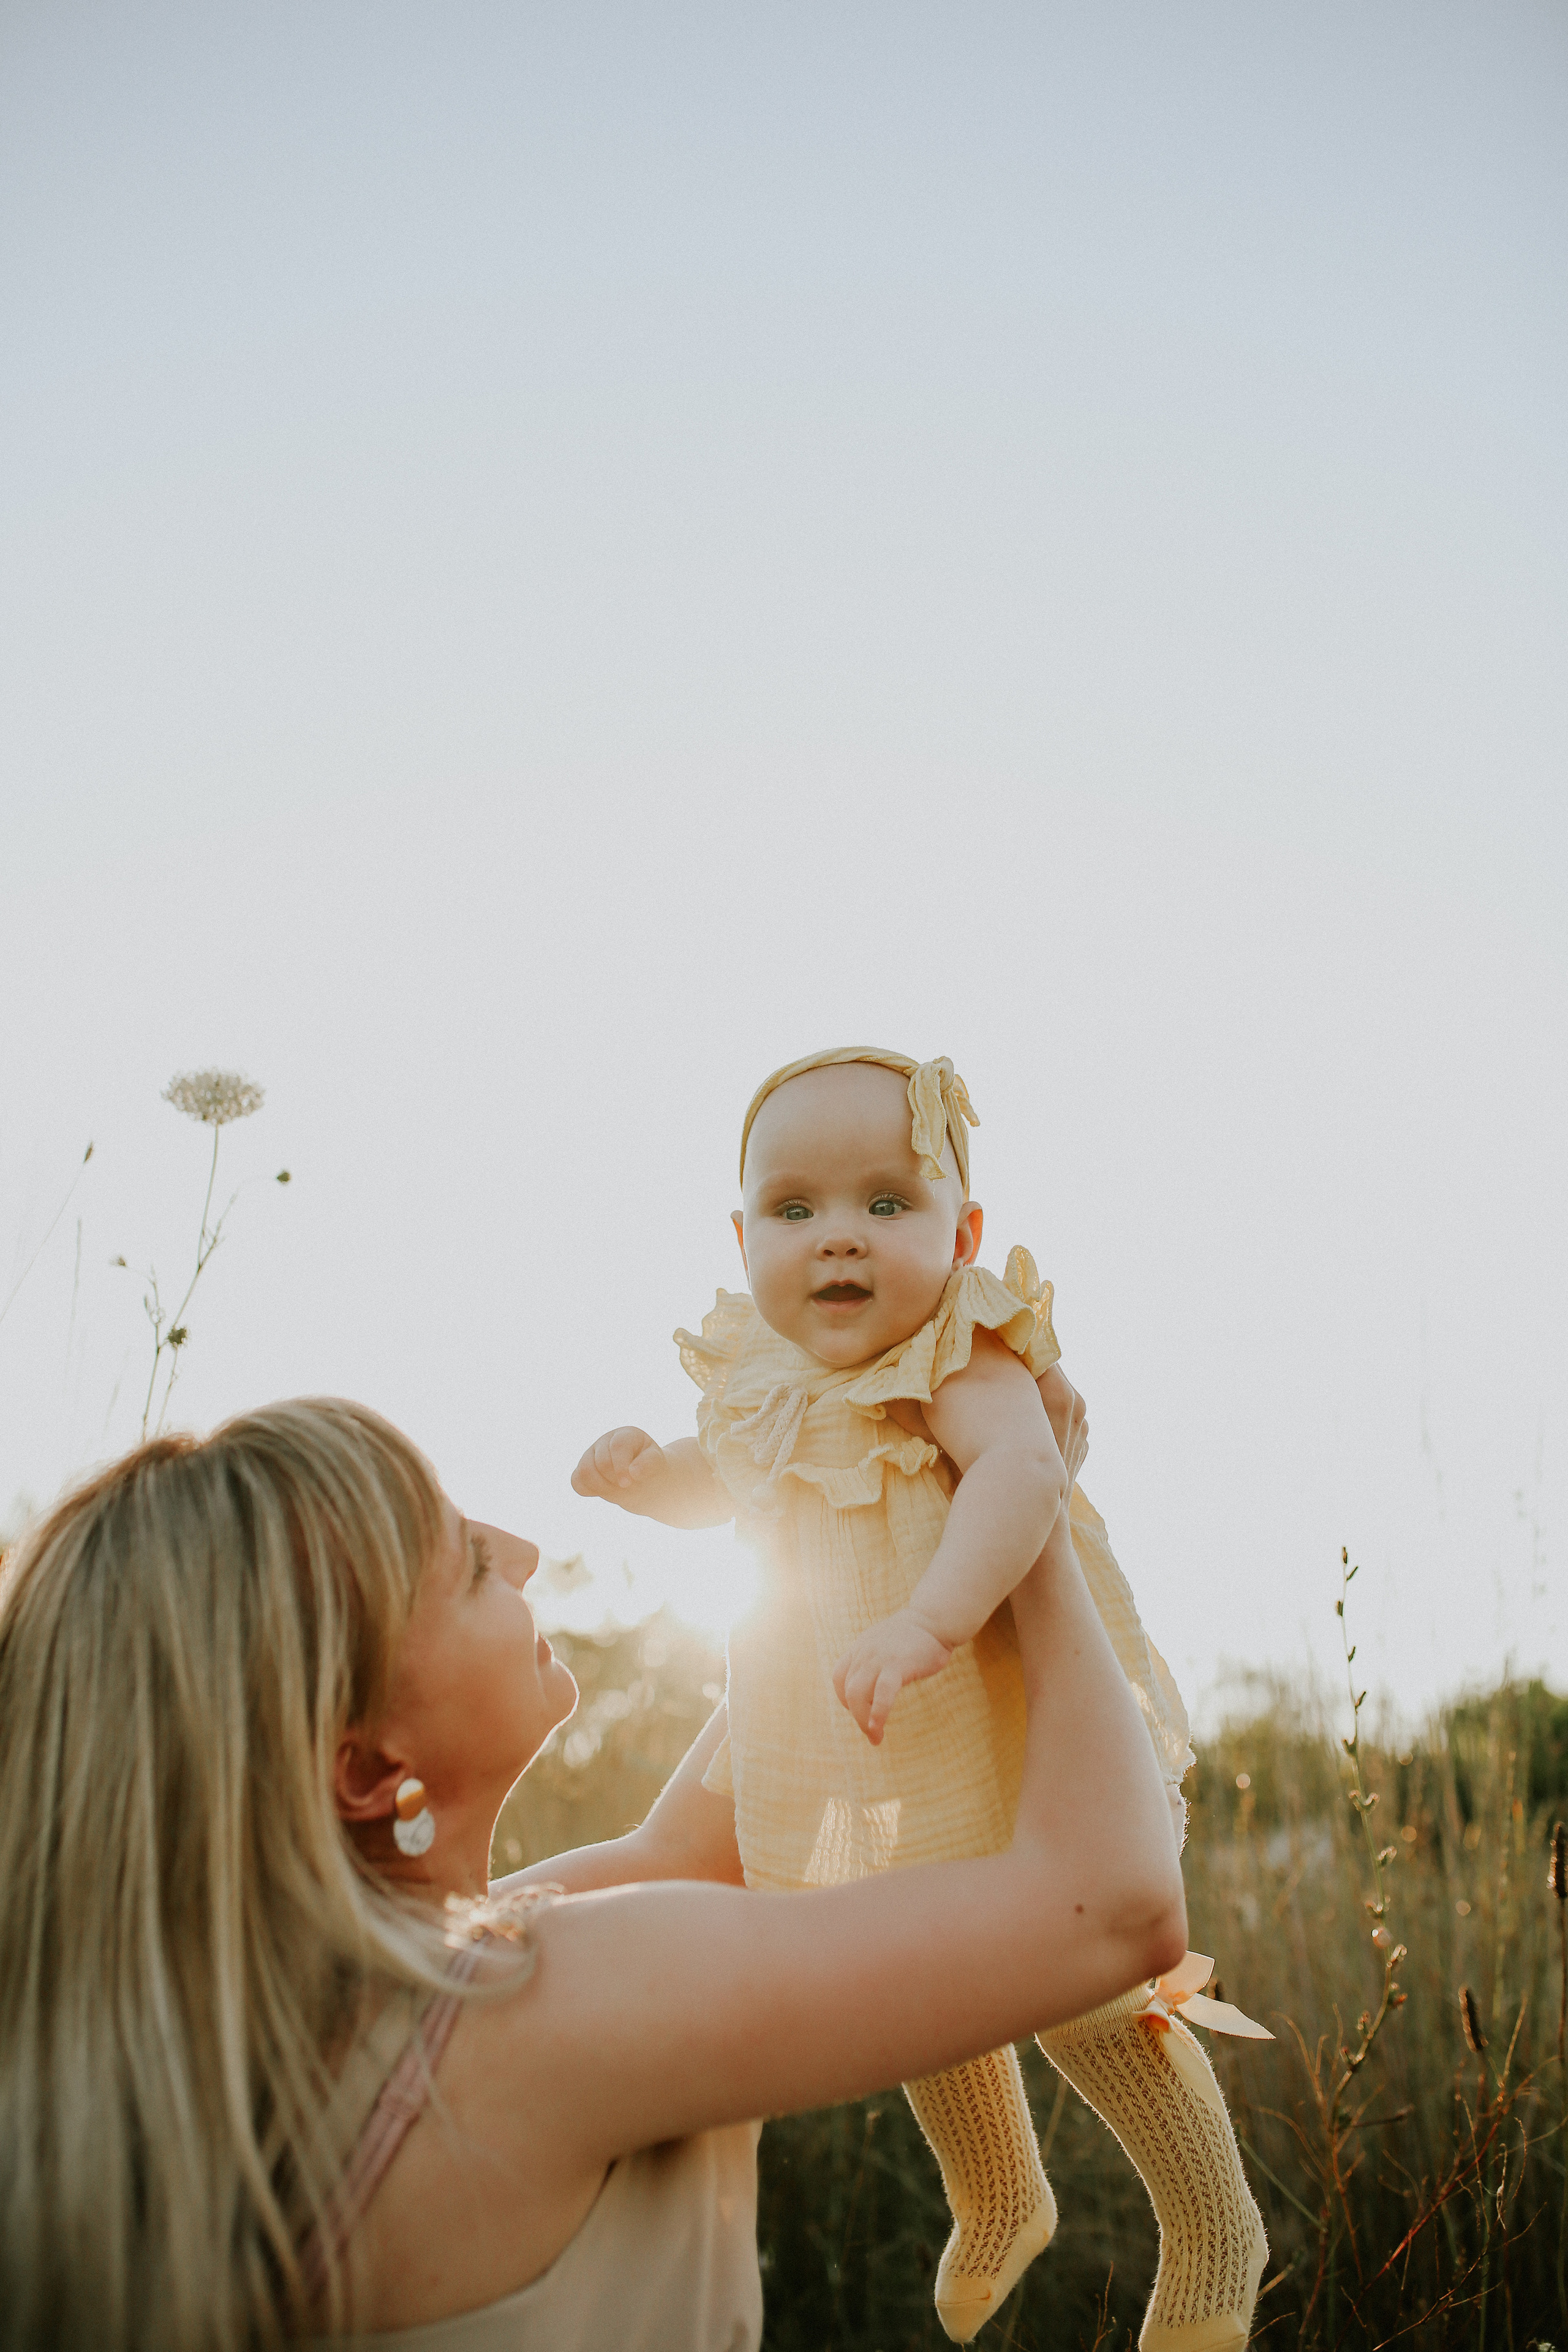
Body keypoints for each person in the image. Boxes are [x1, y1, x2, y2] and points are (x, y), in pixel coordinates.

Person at [0, 1390, 1182, 2352]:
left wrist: (866, 1526)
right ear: (368, 1770)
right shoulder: (531, 2008)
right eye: (462, 1561)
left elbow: (690, 1851)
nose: (519, 1549)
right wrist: (1033, 1525)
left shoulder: (279, 2038)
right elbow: (1114, 1907)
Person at [573, 1048, 1268, 2347]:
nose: (839, 1239)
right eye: (795, 1210)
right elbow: (710, 1481)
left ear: (964, 1233)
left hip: (994, 1716)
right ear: (740, 1238)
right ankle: (997, 2190)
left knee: (1086, 1999)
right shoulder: (758, 1383)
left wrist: (929, 1619)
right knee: (903, 1962)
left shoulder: (959, 1352)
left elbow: (1019, 1478)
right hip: (859, 1729)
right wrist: (637, 1480)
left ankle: (1212, 2226)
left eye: (887, 1203)